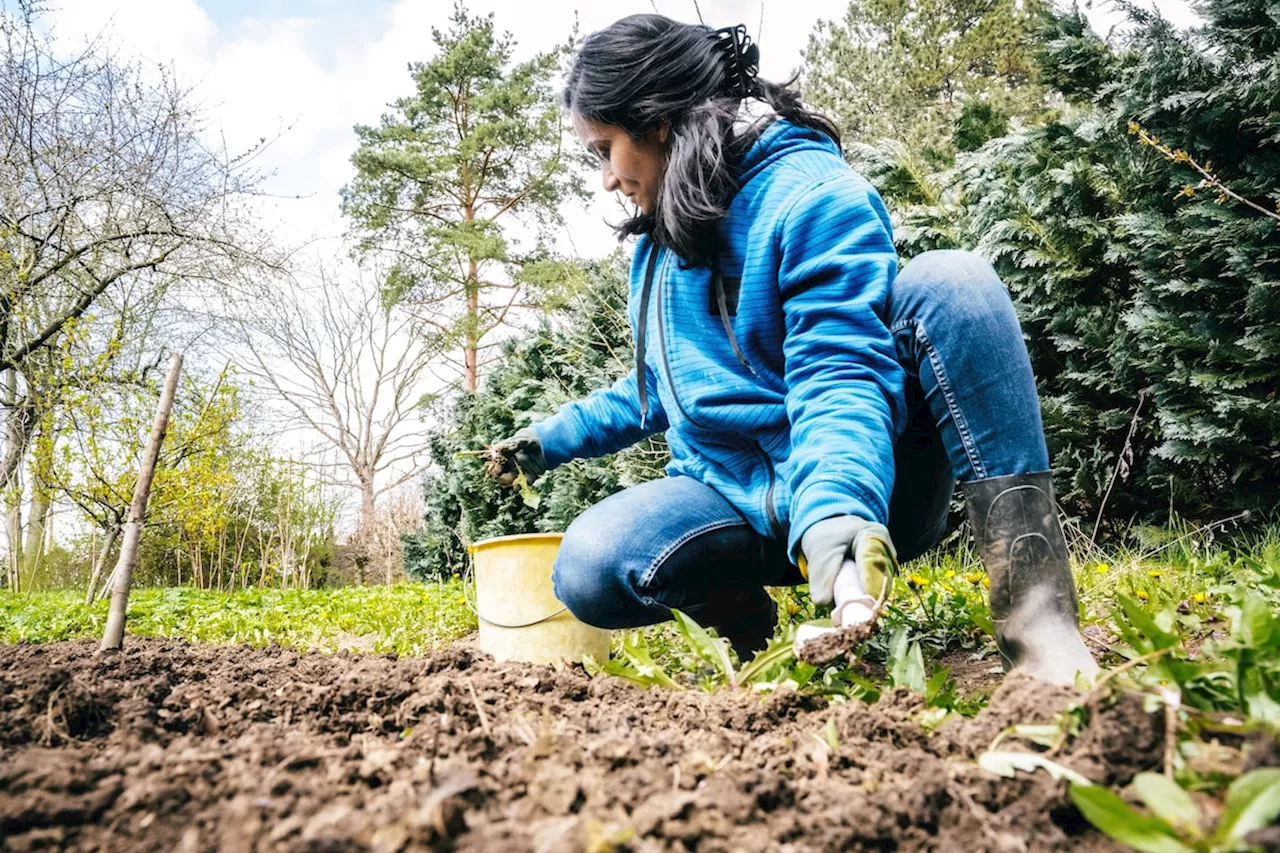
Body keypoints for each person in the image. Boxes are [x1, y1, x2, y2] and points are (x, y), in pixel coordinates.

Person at [486, 14, 1099, 685]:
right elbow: (660, 387)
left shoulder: (808, 193)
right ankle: (743, 619)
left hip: (861, 489)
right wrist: (547, 440)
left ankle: (1039, 617)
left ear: (656, 121)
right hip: (736, 504)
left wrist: (836, 507)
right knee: (588, 564)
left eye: (604, 149)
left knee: (952, 284)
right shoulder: (661, 245)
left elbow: (838, 372)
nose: (605, 177)